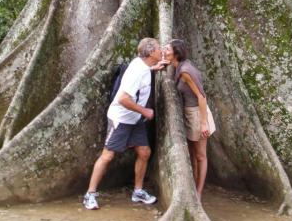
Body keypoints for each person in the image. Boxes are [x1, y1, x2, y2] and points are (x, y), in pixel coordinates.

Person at [83, 37, 167, 210]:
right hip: (120, 119)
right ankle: (90, 194)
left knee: (144, 152)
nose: (162, 51)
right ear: (151, 52)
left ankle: (138, 191)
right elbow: (122, 99)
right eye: (159, 48)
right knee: (108, 156)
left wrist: (153, 69)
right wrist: (145, 112)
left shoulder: (142, 65)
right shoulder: (138, 70)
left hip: (134, 119)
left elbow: (141, 74)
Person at [163, 39, 213, 199]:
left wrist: (203, 124)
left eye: (167, 48)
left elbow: (201, 96)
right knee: (192, 153)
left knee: (200, 155)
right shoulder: (178, 66)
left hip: (198, 114)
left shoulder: (186, 70)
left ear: (176, 53)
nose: (164, 50)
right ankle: (192, 187)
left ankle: (198, 193)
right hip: (189, 114)